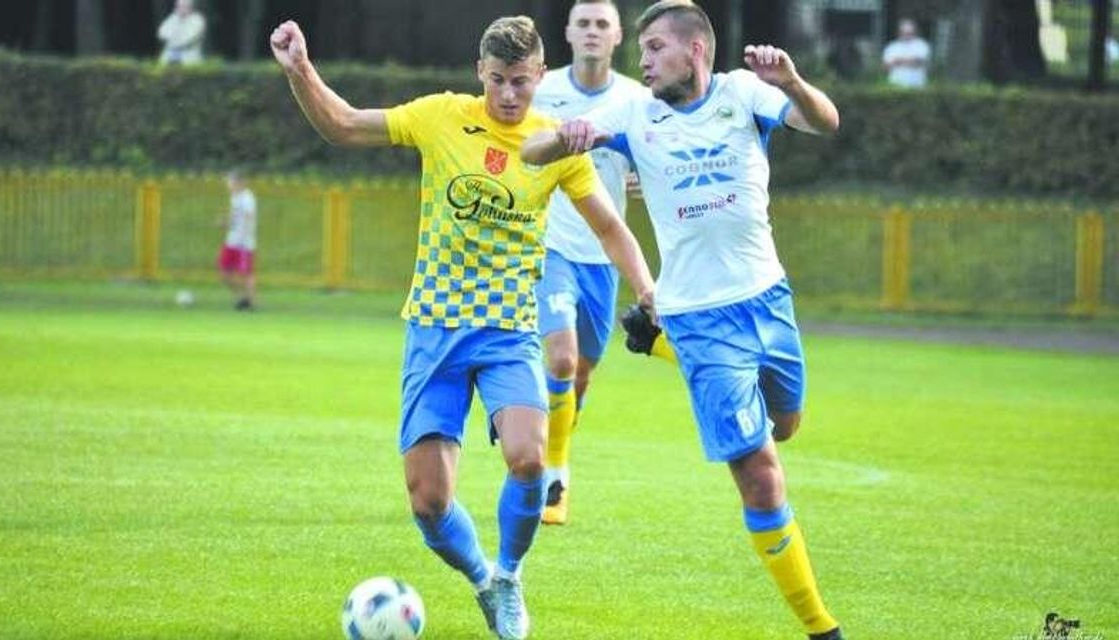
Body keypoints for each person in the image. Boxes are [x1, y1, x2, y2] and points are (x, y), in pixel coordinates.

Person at [270, 15, 655, 640]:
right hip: (435, 330)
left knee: (530, 460)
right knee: (429, 501)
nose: (509, 95)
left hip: (508, 332)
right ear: (481, 72)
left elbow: (611, 227)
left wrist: (648, 291)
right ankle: (481, 578)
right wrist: (301, 71)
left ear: (539, 77)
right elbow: (342, 124)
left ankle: (509, 577)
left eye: (522, 83)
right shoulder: (441, 116)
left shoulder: (552, 142)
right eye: (499, 80)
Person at [520, 1, 843, 638]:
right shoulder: (633, 111)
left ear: (696, 50)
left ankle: (661, 348)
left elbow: (825, 121)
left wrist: (793, 81)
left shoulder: (744, 92)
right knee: (760, 473)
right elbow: (533, 151)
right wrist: (569, 137)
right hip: (698, 313)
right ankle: (821, 626)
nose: (643, 61)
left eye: (656, 48)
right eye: (639, 50)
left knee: (787, 424)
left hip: (769, 301)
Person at [531, 0, 650, 526]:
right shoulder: (542, 89)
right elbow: (515, 145)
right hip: (550, 245)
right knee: (559, 358)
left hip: (602, 256)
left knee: (579, 374)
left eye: (603, 24)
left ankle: (539, 429)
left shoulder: (638, 99)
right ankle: (554, 477)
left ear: (618, 35)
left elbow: (662, 160)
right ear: (569, 34)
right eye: (584, 24)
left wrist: (645, 178)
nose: (593, 32)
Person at [217, 169, 257, 311]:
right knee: (223, 272)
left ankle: (251, 302)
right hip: (231, 241)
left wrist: (244, 238)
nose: (229, 185)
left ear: (239, 182)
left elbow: (248, 217)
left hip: (244, 243)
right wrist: (226, 223)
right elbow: (235, 217)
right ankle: (241, 297)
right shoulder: (234, 197)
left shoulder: (248, 197)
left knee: (246, 273)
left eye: (230, 182)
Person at [882, 18, 931, 88]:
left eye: (909, 32)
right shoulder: (892, 47)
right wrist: (911, 60)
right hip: (895, 86)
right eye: (904, 32)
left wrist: (898, 61)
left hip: (918, 86)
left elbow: (919, 62)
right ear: (899, 32)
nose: (907, 35)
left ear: (914, 32)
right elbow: (886, 67)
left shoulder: (922, 45)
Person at [157, 0, 206, 66]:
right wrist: (175, 37)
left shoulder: (197, 20)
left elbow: (187, 40)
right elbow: (161, 33)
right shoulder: (173, 18)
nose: (180, 8)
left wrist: (171, 39)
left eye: (183, 6)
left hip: (189, 58)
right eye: (178, 6)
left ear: (190, 7)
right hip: (169, 58)